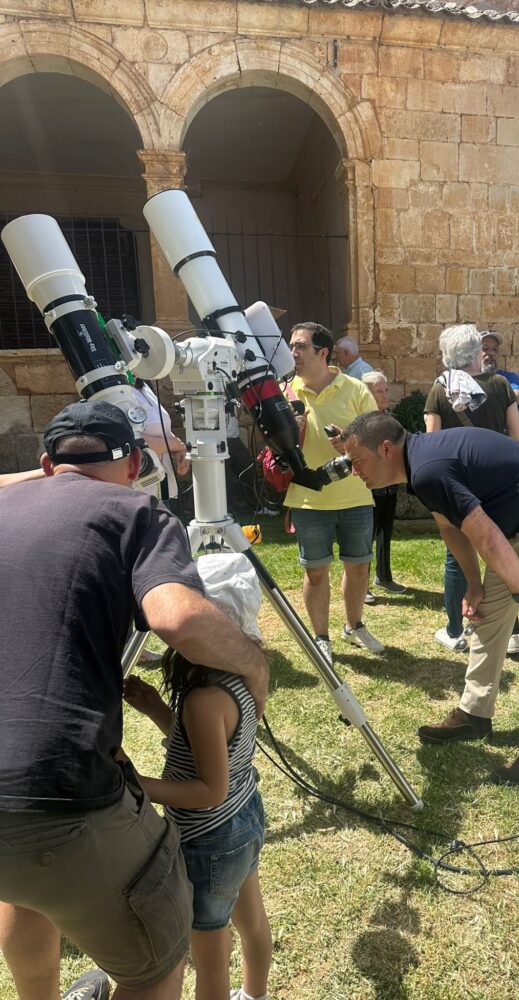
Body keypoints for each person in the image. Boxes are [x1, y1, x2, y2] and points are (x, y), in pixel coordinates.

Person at [0, 400, 269, 1000]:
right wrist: (253, 660)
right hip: (61, 788)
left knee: (20, 888)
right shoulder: (135, 509)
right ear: (134, 466)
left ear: (46, 463)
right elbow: (176, 620)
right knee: (157, 957)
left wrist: (47, 478)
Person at [342, 411, 519, 786]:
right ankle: (475, 714)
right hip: (516, 526)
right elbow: (451, 529)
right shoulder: (418, 467)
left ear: (386, 449)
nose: (353, 471)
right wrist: (474, 585)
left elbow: (487, 538)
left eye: (356, 461)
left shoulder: (428, 469)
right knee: (487, 617)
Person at [124, 561, 271, 1000]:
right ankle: (256, 994)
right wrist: (156, 711)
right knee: (252, 921)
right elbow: (208, 752)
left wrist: (135, 784)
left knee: (209, 954)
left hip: (209, 840)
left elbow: (208, 790)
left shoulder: (205, 699)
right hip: (244, 820)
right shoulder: (238, 678)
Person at [286, 322, 384, 663]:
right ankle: (321, 636)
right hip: (308, 497)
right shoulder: (287, 391)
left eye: (300, 346)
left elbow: (378, 435)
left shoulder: (355, 388)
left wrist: (349, 442)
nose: (293, 352)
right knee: (315, 570)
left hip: (356, 495)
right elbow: (273, 448)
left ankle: (354, 626)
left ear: (322, 352)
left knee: (358, 567)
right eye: (292, 346)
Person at [424, 324, 519, 653]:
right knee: (503, 552)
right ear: (477, 352)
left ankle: (455, 630)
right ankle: (510, 635)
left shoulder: (440, 390)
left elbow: (432, 443)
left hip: (458, 484)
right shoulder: (499, 385)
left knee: (457, 557)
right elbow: (518, 439)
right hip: (496, 481)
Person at [361, 370, 407, 604]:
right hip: (370, 485)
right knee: (366, 534)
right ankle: (363, 585)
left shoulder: (386, 417)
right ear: (368, 392)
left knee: (385, 531)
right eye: (380, 390)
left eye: (386, 389)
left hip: (389, 484)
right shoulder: (363, 419)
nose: (385, 394)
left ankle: (384, 576)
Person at [479, 331, 519, 407]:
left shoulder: (509, 378)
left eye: (495, 349)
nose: (491, 353)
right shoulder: (466, 378)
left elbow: (515, 397)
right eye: (485, 348)